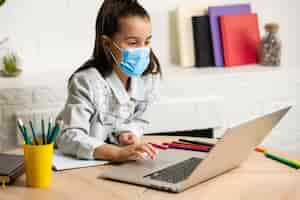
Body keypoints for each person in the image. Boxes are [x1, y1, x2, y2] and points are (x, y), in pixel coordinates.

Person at [56, 0, 161, 162]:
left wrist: (127, 134)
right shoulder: (85, 82)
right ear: (107, 43)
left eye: (147, 42)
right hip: (83, 166)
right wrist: (116, 153)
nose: (142, 50)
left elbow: (140, 120)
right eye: (133, 43)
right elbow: (70, 136)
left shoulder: (147, 78)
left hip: (119, 167)